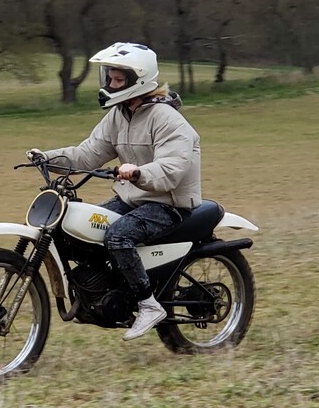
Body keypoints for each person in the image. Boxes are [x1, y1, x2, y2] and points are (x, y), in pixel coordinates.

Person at [27, 42, 202, 340]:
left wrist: (137, 173)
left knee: (118, 235)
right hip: (133, 198)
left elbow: (171, 170)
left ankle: (148, 304)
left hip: (168, 204)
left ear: (139, 80)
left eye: (118, 80)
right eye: (110, 78)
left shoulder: (168, 120)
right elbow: (87, 154)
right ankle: (104, 292)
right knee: (82, 228)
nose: (110, 84)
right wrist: (48, 158)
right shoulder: (120, 115)